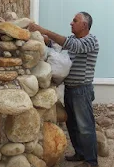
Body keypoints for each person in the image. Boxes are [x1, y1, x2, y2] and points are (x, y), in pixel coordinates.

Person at [28, 12, 100, 167]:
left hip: (82, 90)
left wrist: (45, 30)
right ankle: (80, 153)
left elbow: (71, 45)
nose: (71, 23)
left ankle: (91, 161)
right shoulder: (73, 39)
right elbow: (58, 46)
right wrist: (44, 39)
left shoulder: (91, 41)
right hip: (70, 89)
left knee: (85, 127)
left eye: (75, 20)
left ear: (84, 25)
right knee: (72, 124)